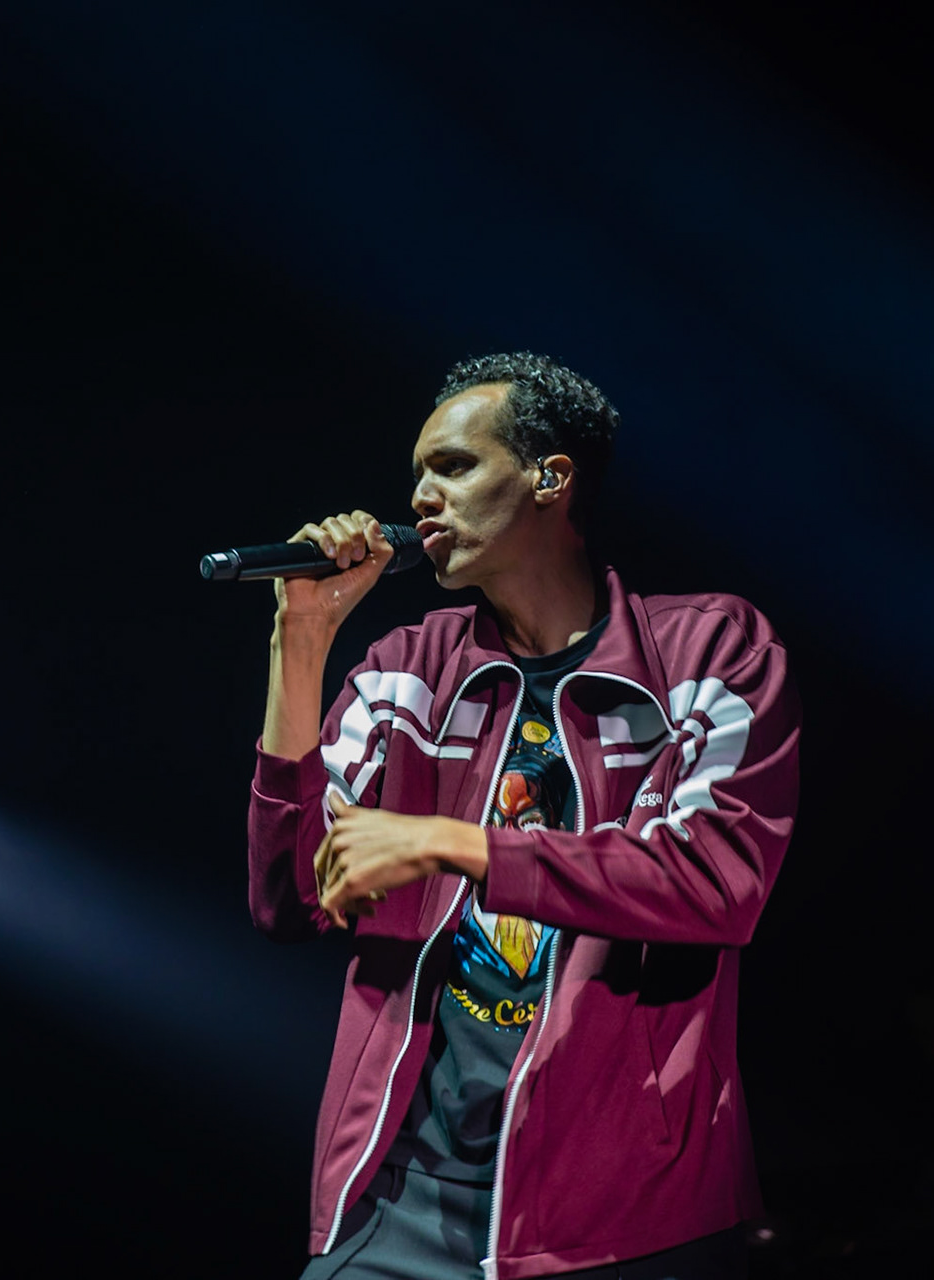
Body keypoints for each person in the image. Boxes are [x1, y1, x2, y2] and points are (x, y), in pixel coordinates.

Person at [246, 353, 801, 1280]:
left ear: (551, 478)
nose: (420, 496)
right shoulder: (406, 671)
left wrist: (455, 844)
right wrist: (299, 641)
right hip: (403, 1204)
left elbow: (715, 880)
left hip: (627, 1213)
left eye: (454, 466)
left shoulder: (709, 651)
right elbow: (289, 900)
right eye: (417, 474)